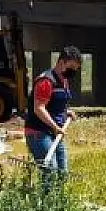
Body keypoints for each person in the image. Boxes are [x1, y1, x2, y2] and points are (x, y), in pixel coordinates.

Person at [23, 46, 82, 187]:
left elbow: (56, 103)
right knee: (50, 172)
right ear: (61, 62)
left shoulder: (64, 81)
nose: (74, 72)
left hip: (55, 134)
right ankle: (46, 206)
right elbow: (39, 108)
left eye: (76, 69)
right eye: (72, 67)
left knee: (62, 172)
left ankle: (59, 205)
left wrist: (65, 111)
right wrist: (55, 127)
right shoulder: (46, 81)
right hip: (39, 134)